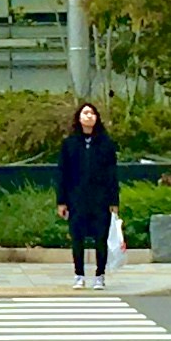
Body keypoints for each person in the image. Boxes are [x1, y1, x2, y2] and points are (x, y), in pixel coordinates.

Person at [55, 98, 121, 285]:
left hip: (100, 199)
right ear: (79, 117)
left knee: (101, 238)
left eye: (92, 113)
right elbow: (62, 173)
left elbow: (112, 173)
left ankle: (100, 276)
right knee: (77, 238)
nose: (88, 116)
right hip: (76, 198)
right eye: (85, 113)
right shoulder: (69, 144)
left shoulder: (106, 143)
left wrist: (114, 201)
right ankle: (79, 275)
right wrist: (62, 201)